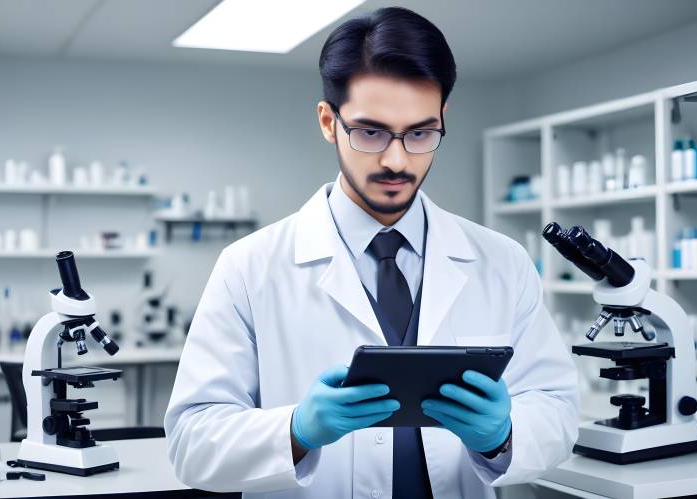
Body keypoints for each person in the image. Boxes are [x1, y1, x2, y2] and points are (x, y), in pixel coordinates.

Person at [165, 7, 578, 499]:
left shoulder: (502, 262)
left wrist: (503, 435)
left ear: (443, 120)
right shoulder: (249, 267)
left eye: (420, 133)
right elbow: (192, 443)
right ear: (328, 121)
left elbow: (557, 411)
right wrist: (296, 430)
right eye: (370, 132)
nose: (396, 160)